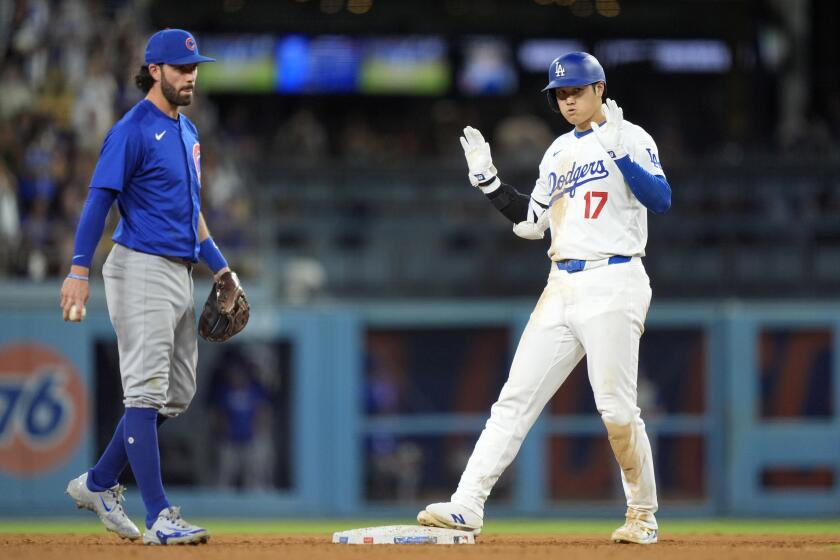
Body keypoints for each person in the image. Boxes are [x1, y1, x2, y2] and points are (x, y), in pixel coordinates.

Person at [417, 52, 671, 545]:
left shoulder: (631, 136)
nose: (568, 99)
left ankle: (642, 514)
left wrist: (618, 150)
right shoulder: (557, 151)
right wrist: (488, 183)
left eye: (576, 90)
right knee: (512, 401)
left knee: (617, 410)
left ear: (600, 88)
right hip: (562, 282)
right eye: (560, 93)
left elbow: (660, 200)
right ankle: (467, 504)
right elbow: (532, 224)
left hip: (615, 277)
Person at [60, 29, 240, 545]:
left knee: (177, 395)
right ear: (154, 71)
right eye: (180, 68)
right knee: (144, 390)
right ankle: (161, 515)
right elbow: (99, 200)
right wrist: (77, 270)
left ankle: (98, 483)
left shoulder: (187, 131)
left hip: (181, 269)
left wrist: (222, 269)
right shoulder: (132, 129)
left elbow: (191, 213)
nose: (191, 75)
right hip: (140, 266)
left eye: (194, 67)